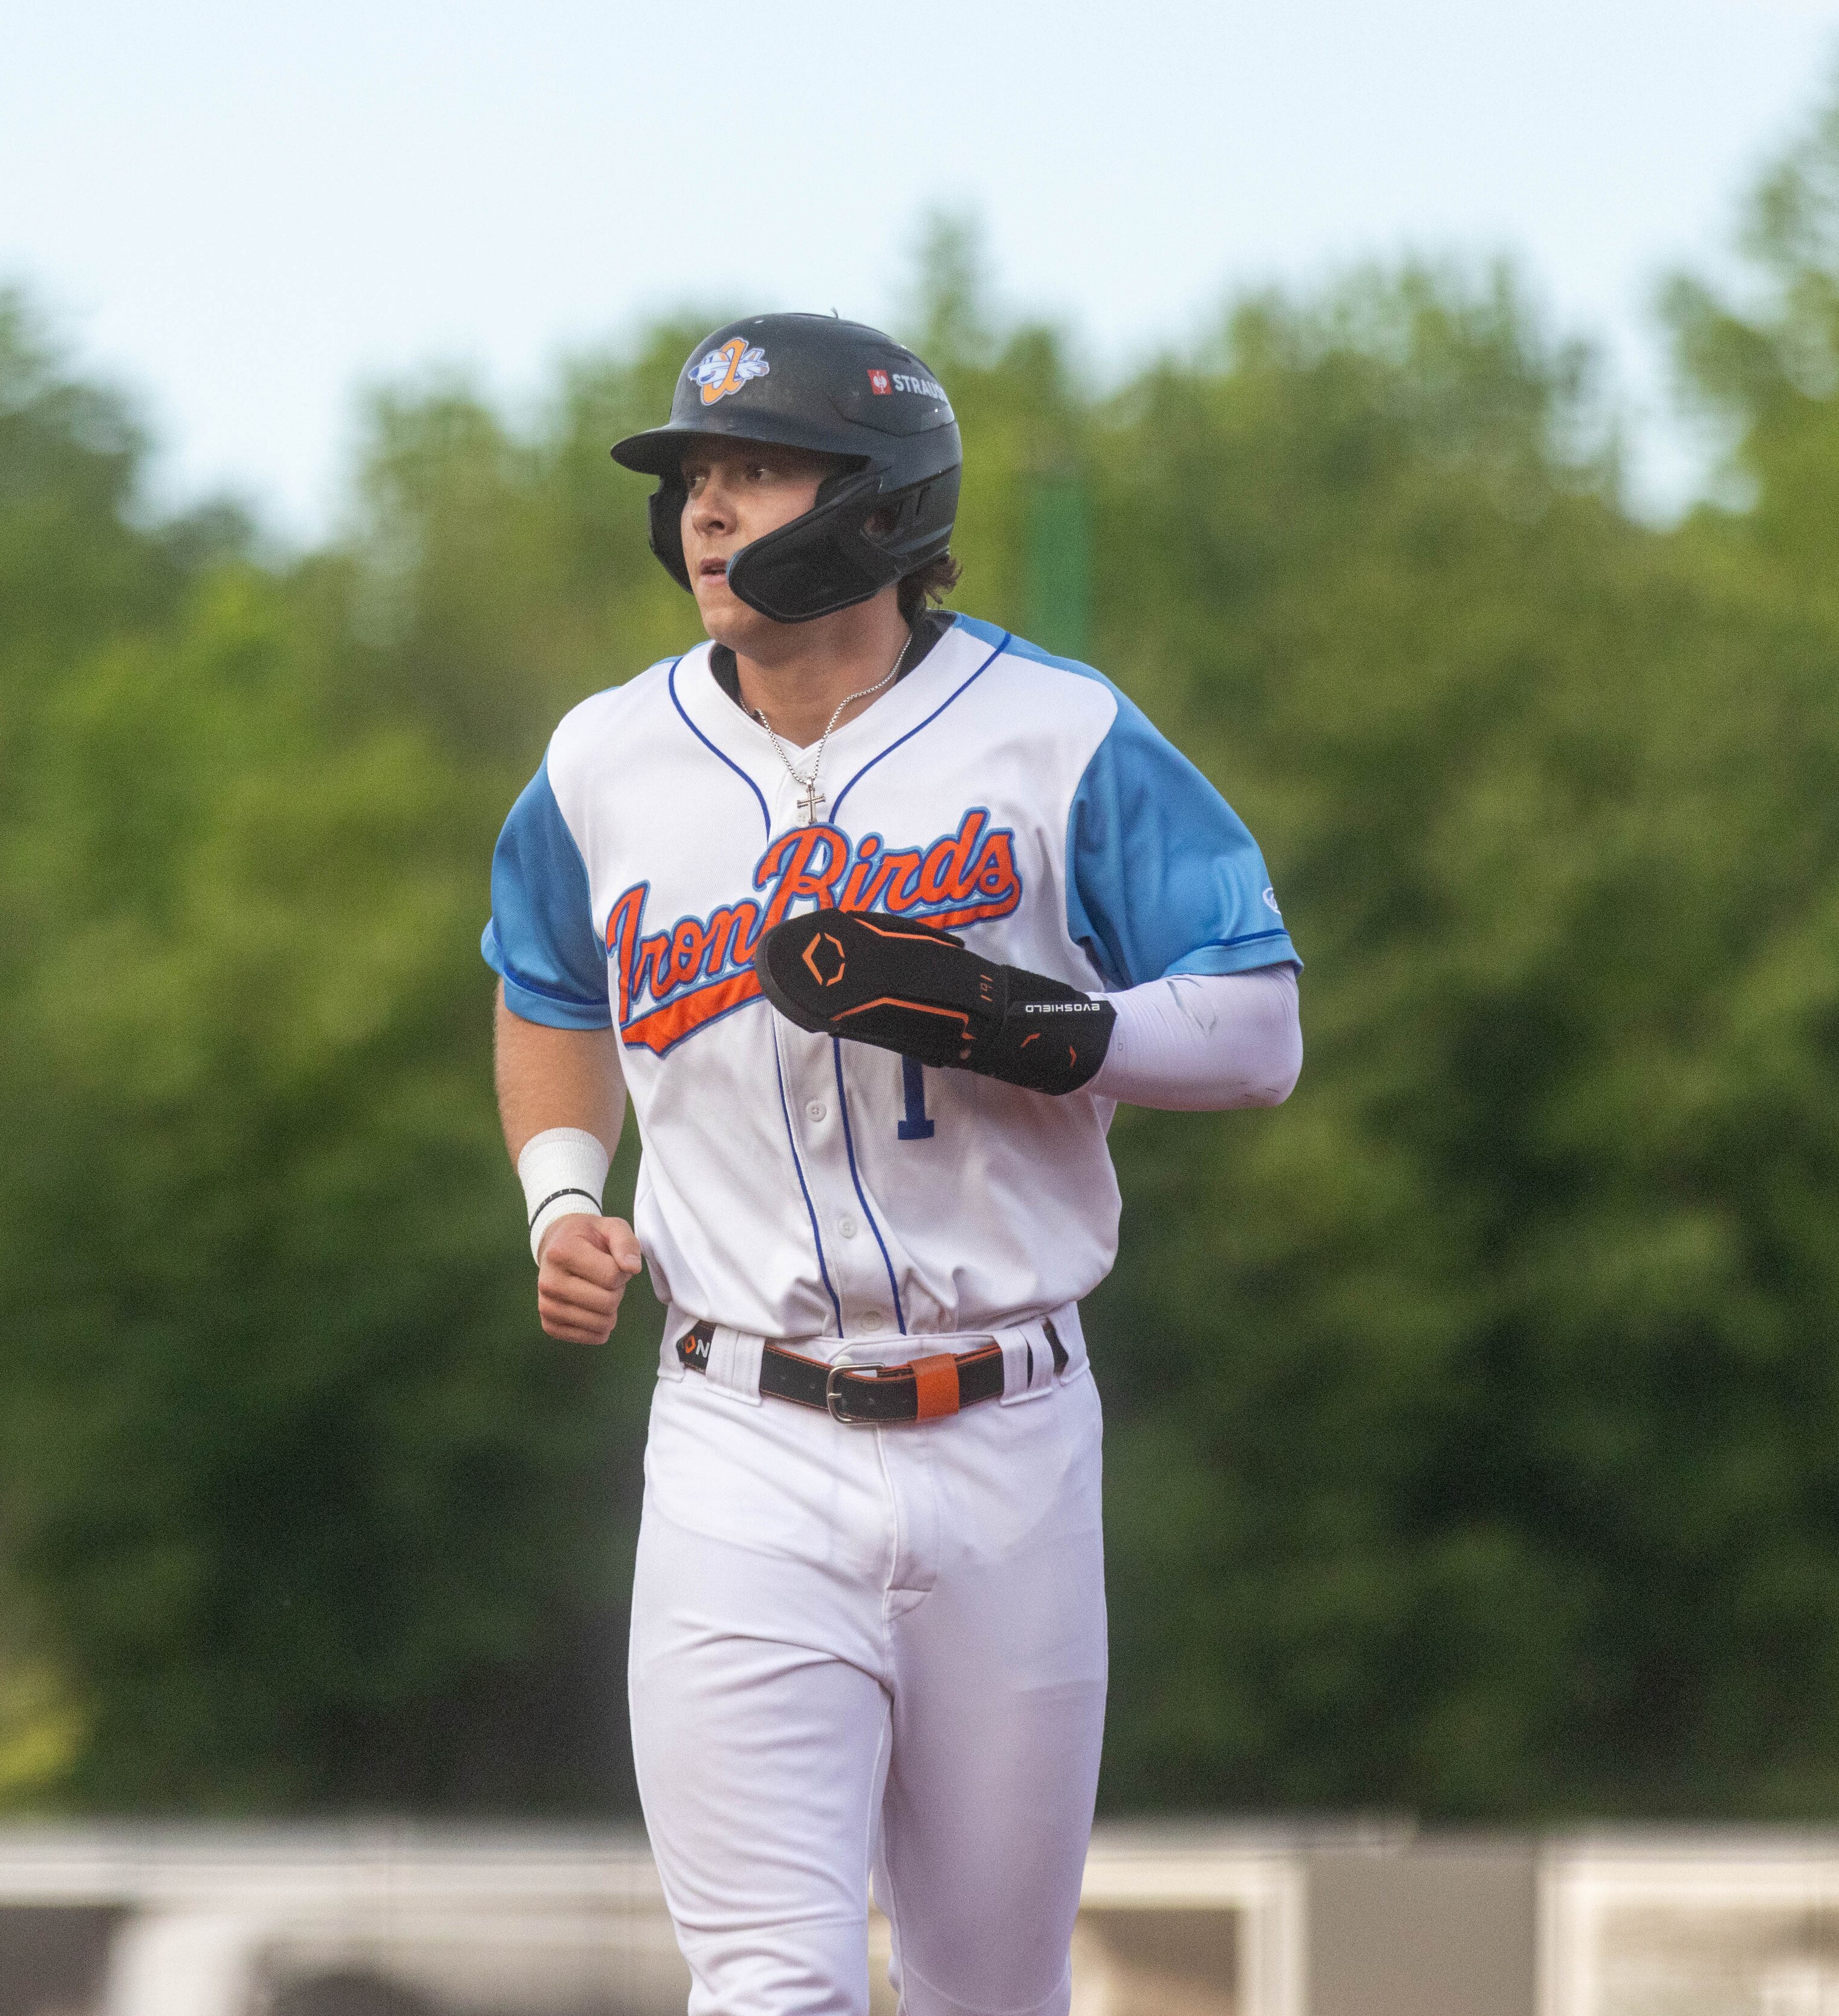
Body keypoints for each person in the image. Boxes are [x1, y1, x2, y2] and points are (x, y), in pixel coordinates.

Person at [481, 312, 1302, 2016]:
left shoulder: (1054, 735)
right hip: (739, 1433)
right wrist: (567, 1190)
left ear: (875, 502)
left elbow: (1258, 1024)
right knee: (771, 1988)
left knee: (987, 1992)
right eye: (693, 479)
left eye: (756, 469)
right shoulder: (603, 760)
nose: (708, 513)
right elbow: (548, 986)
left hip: (1008, 1431)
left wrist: (1045, 1029)